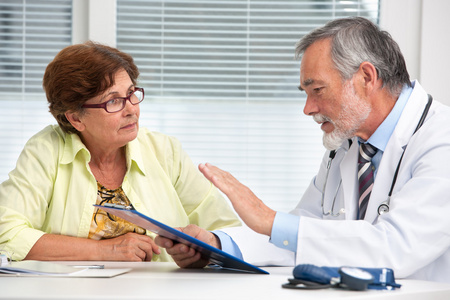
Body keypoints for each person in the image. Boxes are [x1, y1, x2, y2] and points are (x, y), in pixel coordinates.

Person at [155, 17, 450, 282]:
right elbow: (301, 236)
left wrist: (269, 219)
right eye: (306, 93)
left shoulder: (439, 140)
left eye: (317, 90)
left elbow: (395, 248)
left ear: (366, 78)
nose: (308, 109)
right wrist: (215, 246)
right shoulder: (347, 147)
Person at [0, 41, 240, 262]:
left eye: (132, 94)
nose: (131, 110)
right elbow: (6, 234)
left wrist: (204, 250)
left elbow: (229, 233)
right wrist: (105, 250)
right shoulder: (46, 150)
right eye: (113, 101)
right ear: (75, 118)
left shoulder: (164, 151)